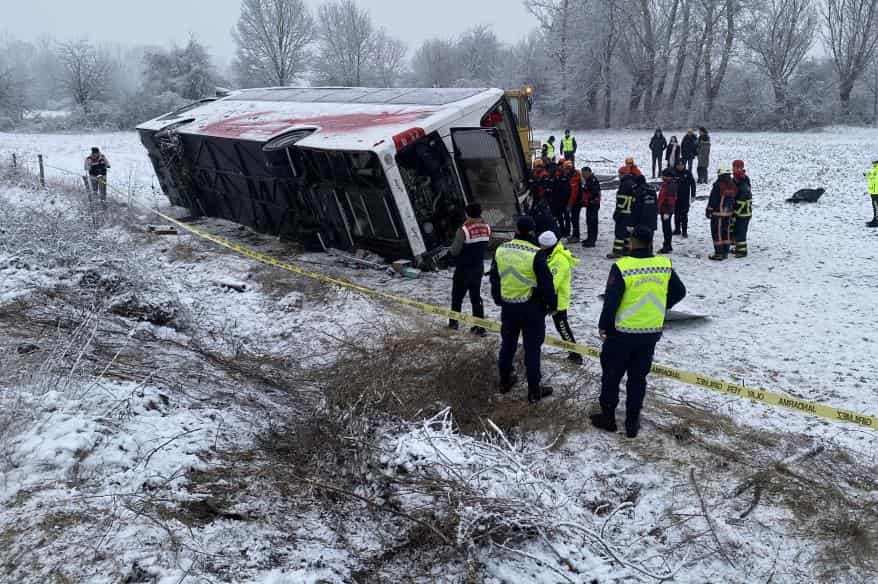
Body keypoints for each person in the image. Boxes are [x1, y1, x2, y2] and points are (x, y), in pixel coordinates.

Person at [591, 225, 687, 438]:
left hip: (622, 333)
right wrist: (661, 307)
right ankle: (632, 423)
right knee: (638, 379)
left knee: (612, 376)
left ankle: (608, 418)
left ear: (632, 242)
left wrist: (604, 325)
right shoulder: (664, 265)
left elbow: (611, 301)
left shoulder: (622, 266)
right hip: (650, 333)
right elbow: (680, 291)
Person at [490, 216, 557, 403]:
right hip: (531, 309)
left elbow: (495, 277)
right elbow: (546, 284)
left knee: (508, 344)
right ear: (533, 231)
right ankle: (534, 390)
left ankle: (504, 381)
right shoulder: (536, 254)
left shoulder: (501, 249)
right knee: (532, 349)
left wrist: (498, 298)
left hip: (509, 306)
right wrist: (552, 305)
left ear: (516, 230)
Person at [539, 231, 583, 364]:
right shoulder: (551, 254)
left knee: (562, 327)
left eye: (542, 246)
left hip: (556, 301)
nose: (540, 248)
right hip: (548, 298)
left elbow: (553, 283)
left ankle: (575, 354)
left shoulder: (559, 260)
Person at [448, 203, 491, 335]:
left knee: (457, 297)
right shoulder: (487, 227)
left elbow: (455, 251)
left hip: (463, 269)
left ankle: (454, 324)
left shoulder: (464, 230)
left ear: (467, 214)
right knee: (476, 297)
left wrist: (449, 252)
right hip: (478, 268)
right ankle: (479, 326)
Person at [706, 165, 737, 260]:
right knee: (726, 232)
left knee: (717, 233)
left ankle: (719, 253)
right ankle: (725, 251)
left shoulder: (718, 185)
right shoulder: (732, 185)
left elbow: (713, 199)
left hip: (717, 213)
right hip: (728, 214)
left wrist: (709, 209)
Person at [608, 172, 639, 259]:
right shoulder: (633, 183)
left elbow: (621, 200)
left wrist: (617, 212)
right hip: (631, 213)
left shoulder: (624, 184)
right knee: (627, 233)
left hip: (623, 213)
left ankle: (617, 251)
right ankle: (627, 250)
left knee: (619, 233)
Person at [732, 160, 752, 258]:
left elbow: (742, 198)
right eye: (734, 167)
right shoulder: (737, 179)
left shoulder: (743, 181)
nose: (735, 169)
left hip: (743, 212)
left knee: (741, 232)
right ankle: (738, 248)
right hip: (740, 210)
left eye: (737, 167)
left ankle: (742, 251)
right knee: (736, 230)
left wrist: (735, 212)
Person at [580, 166, 602, 247]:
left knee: (592, 222)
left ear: (589, 172)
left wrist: (590, 200)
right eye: (582, 174)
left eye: (584, 174)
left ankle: (592, 240)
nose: (583, 175)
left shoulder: (592, 180)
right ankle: (589, 238)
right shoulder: (589, 180)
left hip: (593, 205)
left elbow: (595, 193)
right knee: (589, 222)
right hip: (589, 204)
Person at [657, 169, 678, 254]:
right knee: (666, 228)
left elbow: (671, 199)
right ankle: (667, 245)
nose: (663, 177)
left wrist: (667, 211)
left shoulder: (671, 185)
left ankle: (667, 246)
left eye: (664, 176)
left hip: (666, 210)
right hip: (664, 209)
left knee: (666, 229)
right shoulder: (666, 184)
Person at [866, 158, 878, 228]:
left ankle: (876, 221)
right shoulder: (874, 169)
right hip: (873, 191)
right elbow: (872, 177)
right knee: (875, 206)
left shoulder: (876, 169)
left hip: (876, 191)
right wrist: (868, 175)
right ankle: (875, 219)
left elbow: (875, 179)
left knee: (876, 206)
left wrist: (870, 176)